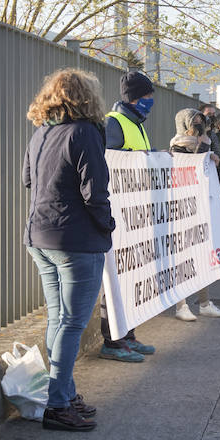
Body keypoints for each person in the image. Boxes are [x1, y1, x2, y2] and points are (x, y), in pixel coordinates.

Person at [22, 69, 113, 431]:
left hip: (38, 236)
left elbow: (27, 179)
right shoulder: (85, 132)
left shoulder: (41, 133)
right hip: (76, 241)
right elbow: (95, 192)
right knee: (73, 323)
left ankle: (64, 392)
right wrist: (107, 225)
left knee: (59, 319)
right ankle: (58, 405)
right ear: (88, 98)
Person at [99, 70, 157, 362]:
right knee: (115, 281)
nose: (151, 101)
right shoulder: (115, 122)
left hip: (136, 215)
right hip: (119, 216)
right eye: (147, 96)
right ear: (134, 98)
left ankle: (128, 335)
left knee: (132, 277)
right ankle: (112, 340)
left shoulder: (136, 123)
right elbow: (108, 165)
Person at [168, 108, 220, 321]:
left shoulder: (203, 144)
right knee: (183, 258)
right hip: (182, 211)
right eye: (194, 121)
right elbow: (189, 170)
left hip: (200, 207)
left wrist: (209, 154)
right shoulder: (178, 146)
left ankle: (204, 303)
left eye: (200, 121)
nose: (198, 125)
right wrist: (203, 147)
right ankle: (181, 305)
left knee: (203, 255)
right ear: (183, 124)